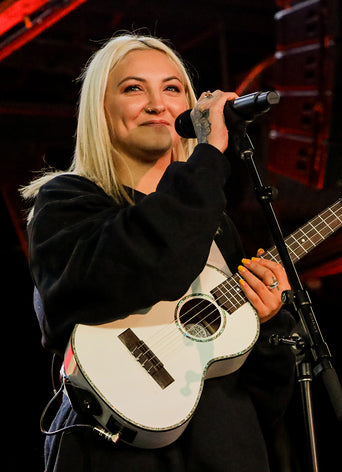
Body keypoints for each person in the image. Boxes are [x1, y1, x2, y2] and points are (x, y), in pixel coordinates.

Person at [22, 33, 296, 472]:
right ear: (100, 108)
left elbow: (266, 396)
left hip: (226, 450)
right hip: (114, 455)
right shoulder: (67, 202)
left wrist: (269, 321)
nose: (157, 104)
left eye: (173, 89)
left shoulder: (214, 222)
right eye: (134, 88)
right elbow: (151, 263)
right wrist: (207, 155)